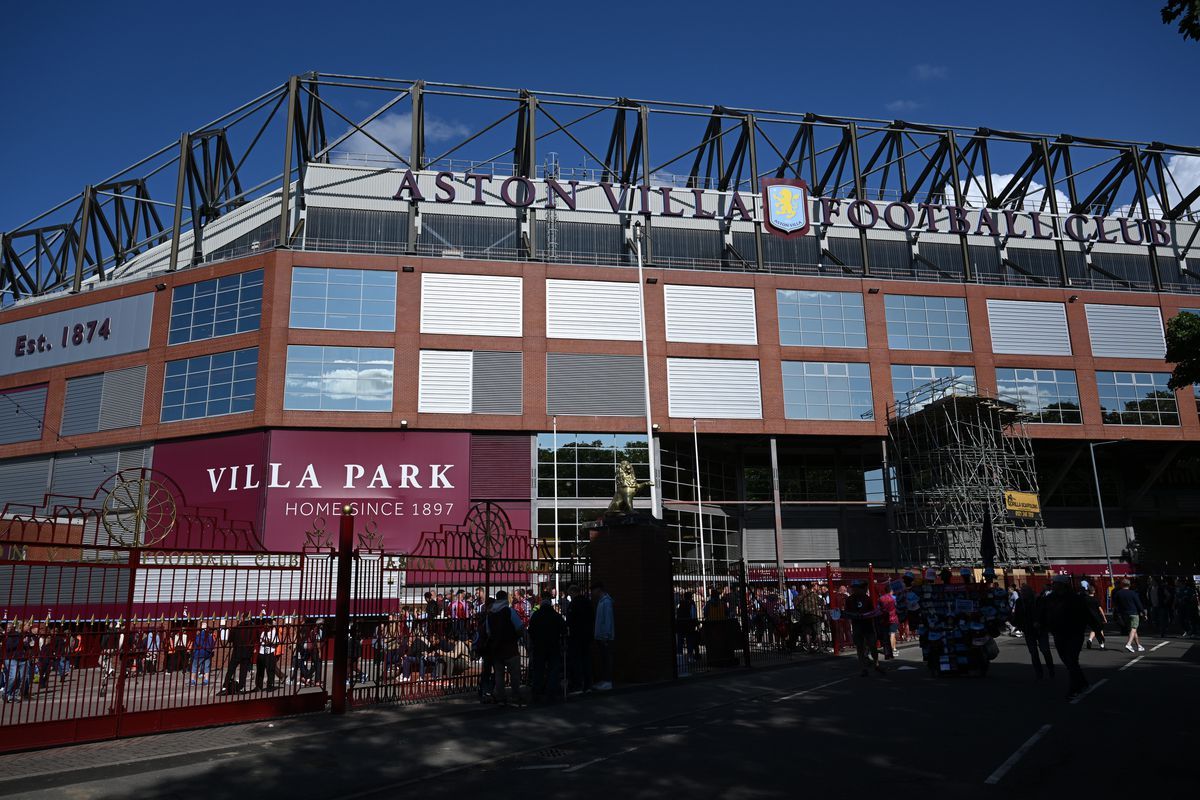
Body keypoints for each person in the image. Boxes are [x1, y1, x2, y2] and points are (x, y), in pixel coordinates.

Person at [1043, 574, 1095, 699]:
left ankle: (1074, 689)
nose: (1053, 585)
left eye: (1055, 583)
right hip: (1059, 633)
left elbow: (1086, 615)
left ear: (1062, 585)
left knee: (1072, 659)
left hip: (1074, 633)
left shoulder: (1074, 599)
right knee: (1068, 661)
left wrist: (1097, 630)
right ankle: (1083, 683)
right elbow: (1045, 613)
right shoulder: (1050, 598)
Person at [485, 590, 525, 705]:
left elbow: (488, 632)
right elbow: (519, 626)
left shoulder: (490, 614)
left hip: (497, 647)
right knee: (515, 674)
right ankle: (515, 695)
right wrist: (517, 637)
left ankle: (501, 697)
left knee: (499, 674)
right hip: (510, 646)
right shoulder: (509, 611)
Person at [527, 592, 566, 703]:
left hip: (539, 646)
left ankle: (537, 691)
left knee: (538, 669)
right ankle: (551, 690)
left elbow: (531, 631)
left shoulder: (536, 615)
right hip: (553, 645)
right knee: (553, 668)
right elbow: (563, 630)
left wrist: (533, 642)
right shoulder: (556, 615)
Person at [1013, 585, 1054, 678]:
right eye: (1022, 592)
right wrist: (1019, 625)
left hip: (1040, 629)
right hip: (1028, 630)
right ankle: (1039, 672)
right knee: (1033, 652)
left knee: (1045, 650)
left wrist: (1041, 623)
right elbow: (1017, 615)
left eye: (1024, 591)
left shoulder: (1039, 600)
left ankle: (1050, 668)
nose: (1023, 593)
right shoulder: (1020, 602)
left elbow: (1046, 613)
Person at [843, 580, 883, 677]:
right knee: (860, 648)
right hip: (857, 626)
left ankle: (876, 663)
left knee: (872, 646)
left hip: (868, 625)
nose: (854, 589)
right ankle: (863, 668)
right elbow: (846, 612)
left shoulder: (867, 598)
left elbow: (872, 611)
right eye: (853, 588)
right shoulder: (849, 600)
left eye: (856, 587)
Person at [565, 584, 593, 694]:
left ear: (573, 592)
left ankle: (578, 684)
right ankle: (588, 684)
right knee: (586, 660)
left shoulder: (574, 603)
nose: (569, 596)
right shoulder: (588, 602)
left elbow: (570, 620)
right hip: (587, 636)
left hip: (576, 636)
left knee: (576, 660)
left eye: (570, 594)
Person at [1112, 578, 1146, 653]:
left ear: (1122, 585)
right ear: (1129, 585)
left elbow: (1115, 604)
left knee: (1132, 630)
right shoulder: (1133, 593)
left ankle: (1138, 645)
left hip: (1124, 614)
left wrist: (1118, 613)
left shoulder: (1118, 593)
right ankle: (1129, 644)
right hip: (1133, 612)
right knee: (1134, 628)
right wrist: (1143, 612)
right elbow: (1138, 604)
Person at [593, 582, 615, 691]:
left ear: (599, 590)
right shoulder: (602, 602)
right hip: (601, 636)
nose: (593, 593)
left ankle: (608, 681)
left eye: (594, 590)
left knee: (606, 658)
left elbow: (608, 620)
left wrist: (606, 635)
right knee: (604, 659)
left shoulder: (605, 602)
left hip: (604, 637)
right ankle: (605, 680)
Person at [675, 590, 699, 675]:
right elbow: (693, 615)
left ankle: (680, 658)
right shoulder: (691, 604)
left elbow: (677, 614)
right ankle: (690, 657)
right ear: (690, 597)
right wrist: (695, 623)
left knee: (680, 643)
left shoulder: (679, 604)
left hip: (680, 625)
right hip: (689, 625)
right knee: (690, 641)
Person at [876, 583, 899, 658]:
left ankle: (887, 653)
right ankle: (894, 652)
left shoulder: (880, 598)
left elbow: (878, 609)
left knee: (885, 636)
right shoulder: (894, 598)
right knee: (892, 635)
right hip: (893, 618)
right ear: (891, 590)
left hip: (884, 619)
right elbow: (898, 607)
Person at [1081, 584, 1107, 650]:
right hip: (1096, 617)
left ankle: (1090, 640)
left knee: (1094, 629)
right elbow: (1100, 609)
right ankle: (1102, 645)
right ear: (1094, 591)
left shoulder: (1085, 599)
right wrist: (1104, 617)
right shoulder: (1095, 600)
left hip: (1088, 618)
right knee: (1100, 630)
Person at [256, 620, 279, 691]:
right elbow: (260, 641)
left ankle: (270, 685)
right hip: (261, 652)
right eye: (265, 625)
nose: (266, 626)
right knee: (260, 670)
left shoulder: (274, 632)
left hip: (269, 652)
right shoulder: (263, 632)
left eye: (267, 625)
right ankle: (258, 686)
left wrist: (267, 642)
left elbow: (276, 643)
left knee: (270, 670)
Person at [191, 622, 216, 686]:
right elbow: (212, 644)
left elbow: (196, 644)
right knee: (206, 667)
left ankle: (193, 681)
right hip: (207, 653)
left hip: (199, 653)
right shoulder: (209, 636)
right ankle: (206, 680)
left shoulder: (198, 636)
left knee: (194, 666)